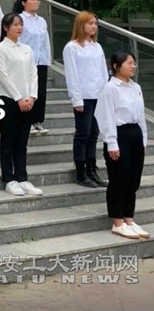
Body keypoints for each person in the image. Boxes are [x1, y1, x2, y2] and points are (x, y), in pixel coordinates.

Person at [96, 51, 149, 240]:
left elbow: (141, 116)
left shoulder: (136, 87)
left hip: (135, 134)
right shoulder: (110, 88)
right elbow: (105, 116)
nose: (133, 66)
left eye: (134, 63)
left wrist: (143, 139)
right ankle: (118, 222)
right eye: (129, 63)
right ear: (116, 66)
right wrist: (111, 142)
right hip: (119, 134)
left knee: (133, 180)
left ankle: (129, 219)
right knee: (119, 179)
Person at [0, 13, 43, 197]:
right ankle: (9, 179)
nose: (19, 27)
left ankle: (22, 177)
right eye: (15, 25)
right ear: (6, 28)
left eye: (21, 24)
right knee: (8, 141)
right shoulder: (0, 49)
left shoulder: (26, 48)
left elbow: (33, 73)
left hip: (28, 100)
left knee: (22, 142)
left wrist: (32, 96)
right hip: (8, 100)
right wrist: (18, 98)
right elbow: (3, 76)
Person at [63, 12, 109, 188]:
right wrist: (77, 99)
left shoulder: (97, 46)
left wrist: (105, 95)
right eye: (90, 23)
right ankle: (80, 172)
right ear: (81, 25)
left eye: (95, 23)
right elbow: (72, 75)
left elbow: (103, 72)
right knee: (83, 133)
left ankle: (92, 169)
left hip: (98, 95)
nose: (94, 26)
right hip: (84, 95)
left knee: (94, 133)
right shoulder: (72, 47)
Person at [14, 0, 51, 135]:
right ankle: (26, 122)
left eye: (37, 0)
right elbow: (19, 40)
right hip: (27, 61)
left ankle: (38, 121)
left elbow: (45, 41)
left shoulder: (41, 21)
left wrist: (47, 59)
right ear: (24, 3)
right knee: (28, 91)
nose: (36, 2)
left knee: (40, 92)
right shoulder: (20, 19)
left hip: (41, 60)